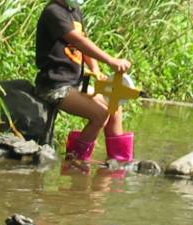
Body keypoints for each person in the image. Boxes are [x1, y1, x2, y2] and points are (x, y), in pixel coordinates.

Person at [34, 0, 134, 165]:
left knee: (114, 105)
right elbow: (78, 41)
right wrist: (111, 60)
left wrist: (95, 69)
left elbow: (83, 41)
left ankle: (119, 161)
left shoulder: (74, 11)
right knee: (100, 114)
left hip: (75, 83)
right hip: (55, 86)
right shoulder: (54, 12)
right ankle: (76, 160)